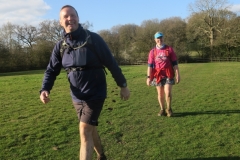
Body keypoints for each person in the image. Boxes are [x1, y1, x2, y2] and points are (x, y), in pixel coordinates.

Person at [39, 5, 130, 160]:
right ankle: (101, 155)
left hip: (96, 93)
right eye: (65, 17)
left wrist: (123, 85)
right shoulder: (60, 46)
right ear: (60, 22)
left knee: (84, 129)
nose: (70, 19)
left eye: (72, 15)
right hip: (76, 96)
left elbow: (111, 63)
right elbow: (51, 70)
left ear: (78, 18)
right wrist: (45, 88)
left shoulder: (94, 39)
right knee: (90, 128)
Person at [146, 32, 180, 117]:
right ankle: (162, 109)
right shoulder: (152, 52)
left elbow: (175, 63)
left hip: (168, 73)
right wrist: (148, 77)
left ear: (163, 38)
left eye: (161, 38)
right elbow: (150, 66)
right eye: (157, 38)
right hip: (157, 74)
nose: (159, 40)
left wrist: (178, 74)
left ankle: (169, 109)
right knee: (160, 93)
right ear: (155, 40)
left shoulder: (169, 49)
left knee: (167, 92)